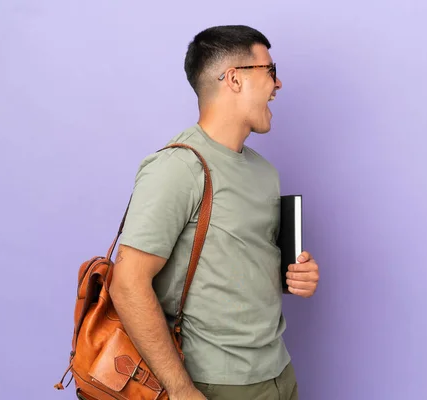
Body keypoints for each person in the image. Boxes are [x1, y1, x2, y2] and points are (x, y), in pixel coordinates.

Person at [109, 25, 320, 400]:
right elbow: (127, 284)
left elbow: (241, 262)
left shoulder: (264, 172)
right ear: (235, 79)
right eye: (270, 71)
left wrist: (297, 274)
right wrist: (180, 389)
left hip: (279, 373)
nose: (279, 83)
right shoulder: (177, 167)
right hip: (214, 385)